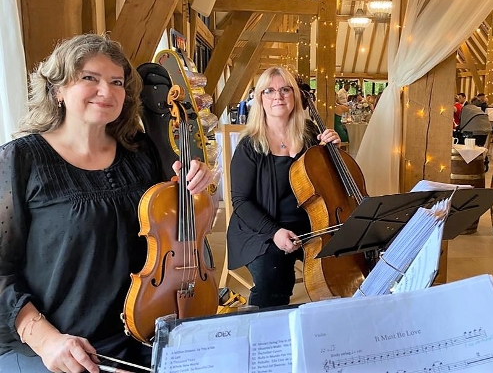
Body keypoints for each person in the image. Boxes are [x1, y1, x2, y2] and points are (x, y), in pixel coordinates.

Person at [0, 34, 216, 373]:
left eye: (117, 82)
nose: (107, 91)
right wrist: (46, 340)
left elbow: (169, 231)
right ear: (57, 90)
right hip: (64, 347)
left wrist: (195, 185)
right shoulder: (20, 160)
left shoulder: (140, 151)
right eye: (90, 78)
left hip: (145, 334)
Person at [226, 67, 341, 309]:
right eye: (269, 90)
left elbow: (328, 183)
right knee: (273, 275)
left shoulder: (310, 134)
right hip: (261, 228)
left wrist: (332, 153)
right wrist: (275, 232)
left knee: (345, 257)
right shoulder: (250, 145)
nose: (277, 96)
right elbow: (241, 202)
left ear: (295, 96)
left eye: (285, 89)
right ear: (260, 99)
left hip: (310, 222)